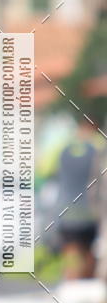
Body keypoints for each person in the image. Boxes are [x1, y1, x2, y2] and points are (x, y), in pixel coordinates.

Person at [54, 119, 105, 279]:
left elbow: (45, 171)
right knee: (90, 253)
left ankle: (71, 282)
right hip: (91, 212)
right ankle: (85, 287)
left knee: (72, 251)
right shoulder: (98, 147)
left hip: (67, 210)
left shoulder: (62, 147)